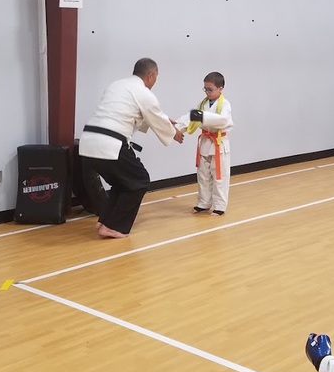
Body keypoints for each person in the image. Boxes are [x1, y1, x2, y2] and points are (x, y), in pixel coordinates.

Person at [79, 58, 184, 239]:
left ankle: (105, 220)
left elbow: (133, 113)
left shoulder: (117, 85)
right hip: (110, 143)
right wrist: (173, 133)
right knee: (140, 181)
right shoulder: (144, 93)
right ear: (151, 75)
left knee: (123, 182)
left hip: (88, 142)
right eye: (156, 77)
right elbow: (154, 116)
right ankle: (113, 226)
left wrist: (165, 120)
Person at [180, 71, 233, 216]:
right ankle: (203, 203)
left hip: (218, 143)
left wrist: (202, 116)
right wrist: (176, 128)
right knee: (203, 175)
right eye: (205, 89)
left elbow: (222, 120)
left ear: (220, 88)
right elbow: (192, 118)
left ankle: (220, 206)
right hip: (205, 143)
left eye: (210, 89)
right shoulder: (203, 103)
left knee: (219, 176)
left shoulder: (225, 104)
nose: (207, 92)